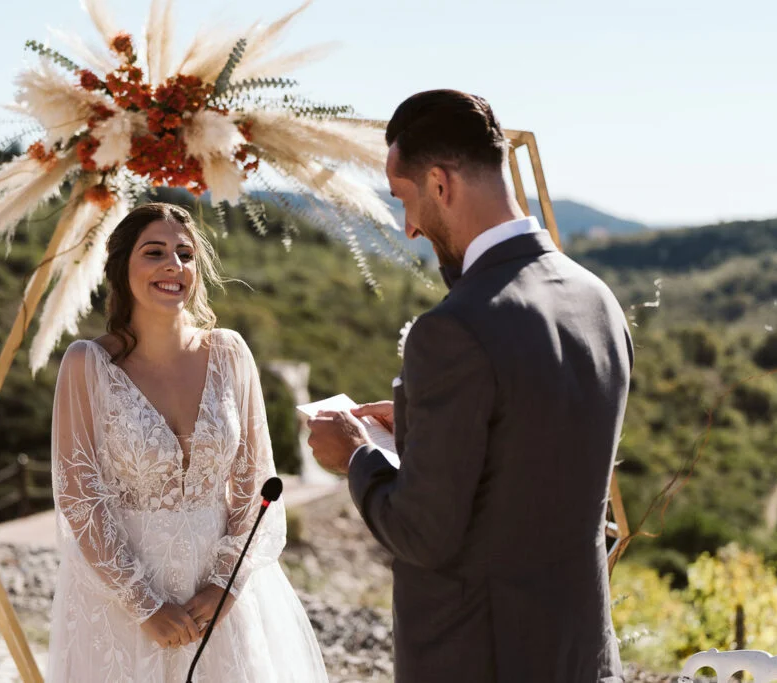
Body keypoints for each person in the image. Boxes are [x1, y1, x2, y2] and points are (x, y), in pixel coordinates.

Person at [307, 90, 633, 683]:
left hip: (478, 658)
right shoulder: (597, 300)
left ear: (439, 184)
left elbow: (422, 533)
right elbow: (532, 457)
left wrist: (355, 456)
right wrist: (416, 430)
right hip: (581, 654)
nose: (407, 228)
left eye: (403, 200)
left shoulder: (453, 328)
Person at [47, 202, 327, 682]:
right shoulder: (87, 366)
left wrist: (226, 588)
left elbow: (260, 487)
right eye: (154, 252)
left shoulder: (230, 354)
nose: (173, 265)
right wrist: (144, 605)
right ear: (122, 268)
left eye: (185, 254)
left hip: (217, 599)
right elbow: (79, 497)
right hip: (119, 603)